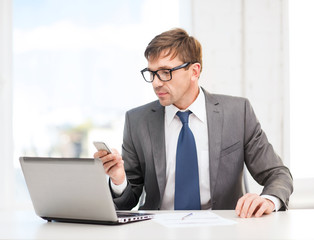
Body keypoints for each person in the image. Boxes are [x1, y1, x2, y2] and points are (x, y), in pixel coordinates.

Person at [94, 28, 293, 218]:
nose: (156, 82)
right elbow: (127, 201)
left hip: (224, 229)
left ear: (194, 71)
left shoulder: (237, 112)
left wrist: (268, 200)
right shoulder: (137, 121)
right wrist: (118, 179)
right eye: (152, 73)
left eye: (165, 72)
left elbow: (278, 174)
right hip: (157, 230)